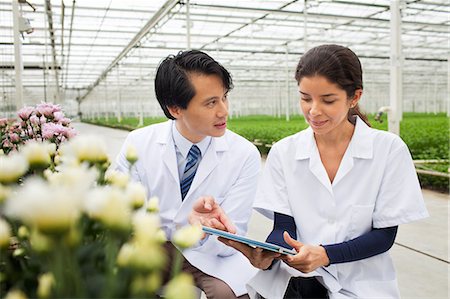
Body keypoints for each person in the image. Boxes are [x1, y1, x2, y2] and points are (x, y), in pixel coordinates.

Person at [190, 44, 429, 298]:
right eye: (305, 98)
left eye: (328, 100)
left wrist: (326, 255)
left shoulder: (388, 150)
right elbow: (284, 228)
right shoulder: (285, 152)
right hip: (297, 282)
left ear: (354, 97)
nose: (314, 111)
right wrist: (268, 253)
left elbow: (384, 236)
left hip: (365, 285)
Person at [116, 50, 261, 298]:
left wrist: (209, 228)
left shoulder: (245, 154)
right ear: (175, 108)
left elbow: (233, 235)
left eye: (224, 98)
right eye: (211, 103)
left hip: (209, 252)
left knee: (228, 293)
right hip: (153, 246)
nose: (223, 111)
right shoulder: (138, 143)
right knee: (123, 282)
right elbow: (119, 210)